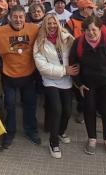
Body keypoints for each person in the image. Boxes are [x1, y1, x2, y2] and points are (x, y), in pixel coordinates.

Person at [69, 15, 106, 157]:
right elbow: (73, 64)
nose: (90, 32)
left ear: (100, 29)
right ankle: (92, 139)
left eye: (93, 29)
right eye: (87, 30)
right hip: (88, 84)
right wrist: (79, 83)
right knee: (89, 110)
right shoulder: (78, 43)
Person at [0, 4, 40, 148]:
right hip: (9, 76)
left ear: (25, 17)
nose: (18, 20)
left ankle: (31, 130)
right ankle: (10, 132)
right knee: (10, 106)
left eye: (21, 17)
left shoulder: (34, 29)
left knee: (30, 105)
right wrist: (1, 68)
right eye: (15, 17)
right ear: (9, 17)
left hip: (29, 75)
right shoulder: (0, 32)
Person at [33, 13, 78, 159]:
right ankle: (53, 143)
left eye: (54, 23)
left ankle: (60, 132)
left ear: (58, 24)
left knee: (67, 111)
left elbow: (76, 55)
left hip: (66, 80)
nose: (52, 26)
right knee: (56, 110)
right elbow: (42, 67)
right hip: (50, 80)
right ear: (44, 25)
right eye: (48, 24)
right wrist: (64, 70)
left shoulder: (67, 38)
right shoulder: (39, 42)